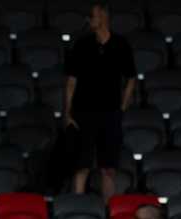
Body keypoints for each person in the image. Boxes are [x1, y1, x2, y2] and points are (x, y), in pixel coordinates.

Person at [62, 3, 135, 199]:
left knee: (108, 168)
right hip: (83, 113)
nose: (89, 20)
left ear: (103, 16)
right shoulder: (82, 44)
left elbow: (131, 78)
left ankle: (107, 212)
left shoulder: (120, 44)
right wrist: (68, 112)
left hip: (110, 114)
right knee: (81, 166)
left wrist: (122, 107)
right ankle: (77, 208)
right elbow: (71, 81)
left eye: (92, 16)